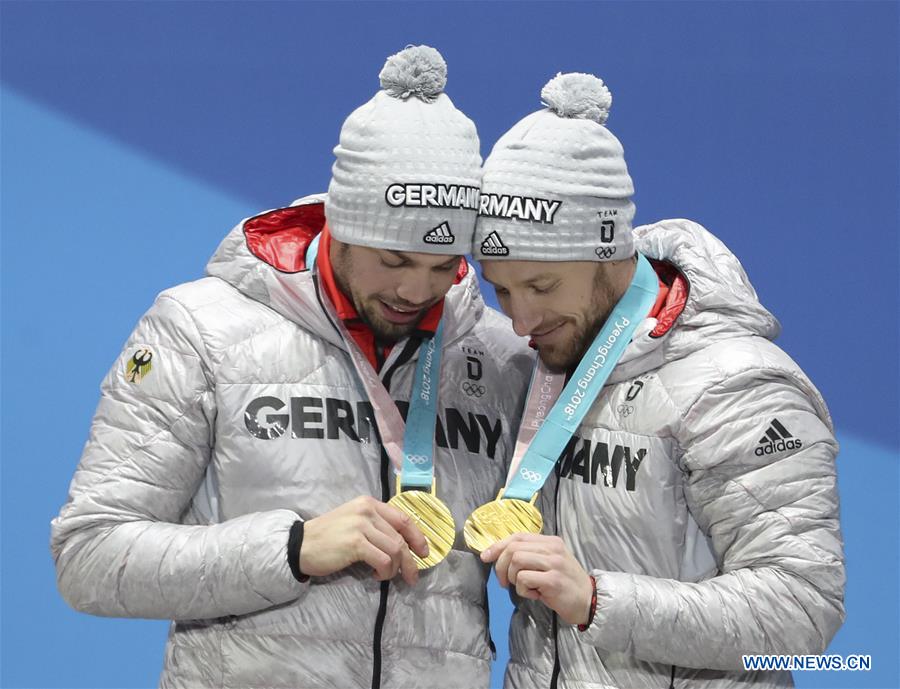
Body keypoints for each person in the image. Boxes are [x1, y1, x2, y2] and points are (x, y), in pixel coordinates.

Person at [50, 46, 532, 689]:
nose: (418, 291)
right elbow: (89, 555)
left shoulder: (498, 355)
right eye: (393, 261)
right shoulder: (200, 330)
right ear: (340, 224)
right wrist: (293, 549)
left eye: (443, 265)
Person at [472, 73, 845, 689]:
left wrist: (597, 600)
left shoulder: (736, 385)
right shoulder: (551, 357)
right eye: (502, 288)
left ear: (607, 256)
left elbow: (803, 608)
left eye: (541, 287)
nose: (521, 319)